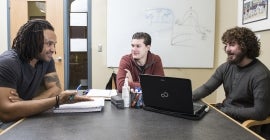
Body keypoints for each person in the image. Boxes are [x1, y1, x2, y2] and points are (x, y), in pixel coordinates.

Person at [0, 19, 92, 122]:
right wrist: (58, 100)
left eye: (54, 44)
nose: (53, 49)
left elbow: (56, 89)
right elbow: (6, 113)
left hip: (26, 119)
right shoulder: (7, 63)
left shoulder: (46, 61)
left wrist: (27, 103)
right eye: (49, 44)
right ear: (32, 41)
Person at [192, 26, 270, 138]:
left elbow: (260, 112)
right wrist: (186, 98)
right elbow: (207, 88)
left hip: (246, 126)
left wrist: (225, 111)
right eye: (226, 45)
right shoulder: (226, 67)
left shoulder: (261, 75)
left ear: (246, 47)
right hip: (225, 117)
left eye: (232, 45)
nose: (227, 49)